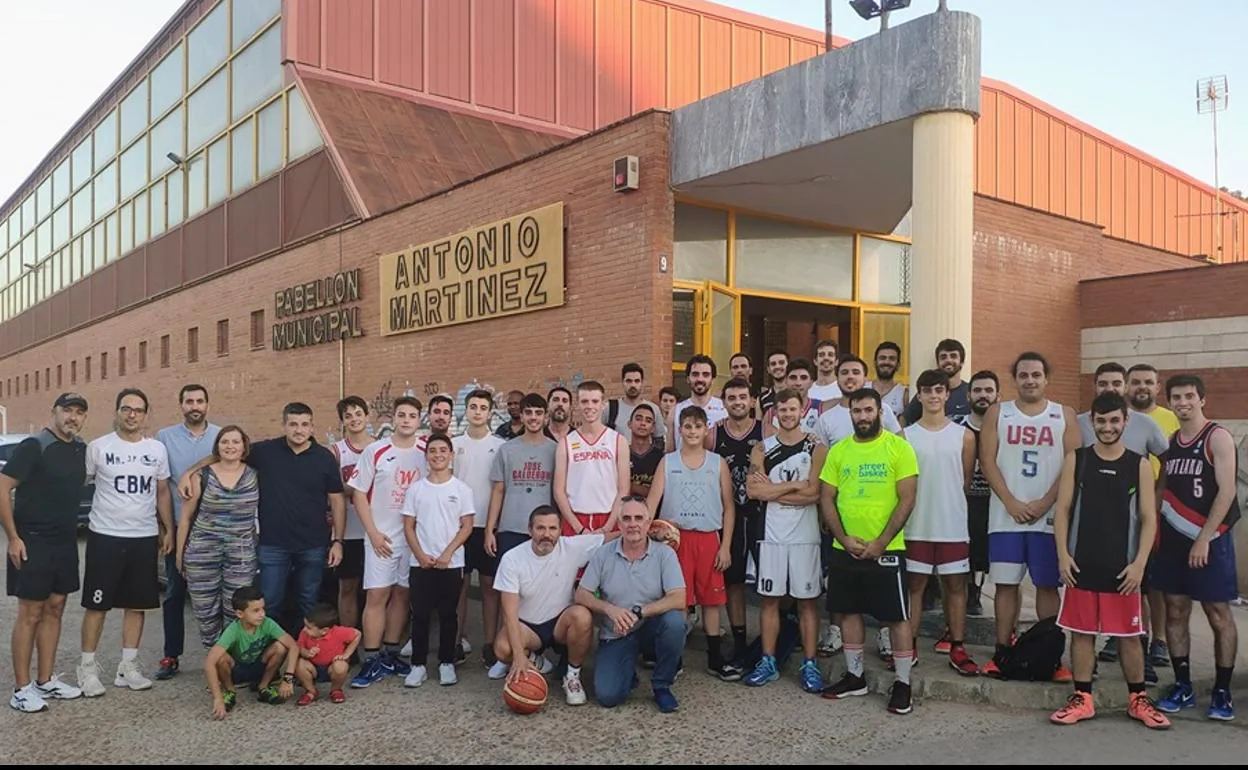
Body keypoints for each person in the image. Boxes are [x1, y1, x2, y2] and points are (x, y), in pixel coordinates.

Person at [1049, 392, 1168, 729]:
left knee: (1130, 637)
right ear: (1093, 423)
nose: (1107, 427)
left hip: (1124, 568)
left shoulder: (1139, 464)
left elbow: (1148, 518)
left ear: (1125, 422)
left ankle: (1138, 699)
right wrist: (1062, 555)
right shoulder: (1078, 459)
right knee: (1082, 634)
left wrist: (1140, 563)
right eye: (1101, 421)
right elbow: (1062, 511)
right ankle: (1083, 698)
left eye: (1114, 420)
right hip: (1081, 564)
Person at [180, 402, 346, 633]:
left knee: (308, 602)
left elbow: (337, 501)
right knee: (270, 603)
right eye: (293, 424)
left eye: (304, 425)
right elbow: (226, 453)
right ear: (284, 425)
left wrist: (338, 541)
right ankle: (270, 655)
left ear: (312, 427)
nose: (299, 430)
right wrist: (189, 472)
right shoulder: (266, 452)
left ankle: (302, 656)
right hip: (273, 545)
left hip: (313, 545)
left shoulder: (324, 457)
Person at [819, 388, 920, 715]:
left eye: (868, 410)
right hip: (844, 547)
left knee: (897, 617)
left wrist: (881, 542)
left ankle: (903, 683)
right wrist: (843, 537)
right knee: (848, 612)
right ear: (850, 414)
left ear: (880, 411)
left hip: (887, 548)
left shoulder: (899, 448)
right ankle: (855, 677)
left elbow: (907, 499)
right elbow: (826, 498)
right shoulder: (839, 451)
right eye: (857, 411)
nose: (863, 416)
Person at [979, 352, 1079, 680]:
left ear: (1046, 378)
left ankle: (1051, 655)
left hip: (1049, 518)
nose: (1030, 380)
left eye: (1036, 374)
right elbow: (988, 460)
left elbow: (1072, 464)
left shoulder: (1064, 415)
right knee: (1005, 585)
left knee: (1048, 586)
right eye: (1023, 375)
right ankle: (1002, 651)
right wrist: (1009, 501)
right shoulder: (998, 413)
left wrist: (1046, 501)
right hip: (1005, 516)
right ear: (1015, 379)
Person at [1154, 375, 1240, 721]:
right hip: (1173, 541)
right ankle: (1183, 684)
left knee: (1218, 614)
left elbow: (1227, 491)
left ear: (1202, 399)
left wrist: (1204, 537)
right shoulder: (1171, 441)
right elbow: (1161, 491)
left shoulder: (1216, 437)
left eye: (1190, 396)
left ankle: (1222, 690)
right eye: (1176, 397)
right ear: (1170, 402)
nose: (1183, 402)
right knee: (1175, 611)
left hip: (1210, 540)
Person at [77, 388, 174, 697]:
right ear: (117, 411)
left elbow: (161, 492)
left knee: (137, 604)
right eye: (126, 408)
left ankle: (127, 666)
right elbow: (81, 482)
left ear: (145, 415)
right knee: (97, 605)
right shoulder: (98, 447)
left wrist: (167, 528)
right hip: (105, 535)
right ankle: (87, 668)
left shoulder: (156, 449)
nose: (132, 414)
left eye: (138, 409)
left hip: (143, 536)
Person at [1076, 362, 1167, 678]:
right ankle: (1096, 662)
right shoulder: (1081, 423)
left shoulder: (1143, 424)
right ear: (1095, 387)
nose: (1110, 388)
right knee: (1091, 599)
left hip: (1133, 520)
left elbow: (1164, 460)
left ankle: (1145, 653)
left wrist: (1155, 498)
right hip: (1093, 524)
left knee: (1137, 587)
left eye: (1116, 383)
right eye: (1103, 383)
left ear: (1125, 386)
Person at [2, 392, 89, 713]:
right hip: (32, 541)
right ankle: (21, 689)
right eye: (67, 410)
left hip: (65, 541)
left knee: (55, 608)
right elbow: (2, 487)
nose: (73, 417)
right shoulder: (33, 446)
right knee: (31, 614)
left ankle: (45, 680)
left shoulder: (80, 448)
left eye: (79, 412)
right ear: (53, 412)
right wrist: (13, 537)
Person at [743, 389, 827, 692]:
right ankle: (768, 661)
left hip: (805, 536)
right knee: (769, 601)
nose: (788, 414)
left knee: (807, 603)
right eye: (783, 409)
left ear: (803, 409)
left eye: (793, 408)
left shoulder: (816, 447)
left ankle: (810, 663)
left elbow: (815, 493)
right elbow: (755, 491)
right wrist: (794, 486)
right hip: (771, 534)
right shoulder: (762, 448)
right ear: (774, 412)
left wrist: (775, 489)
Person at [647, 405, 736, 679]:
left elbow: (729, 507)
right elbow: (652, 502)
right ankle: (674, 658)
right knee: (678, 602)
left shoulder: (717, 462)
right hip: (675, 540)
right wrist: (645, 533)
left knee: (711, 601)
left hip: (708, 538)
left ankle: (715, 658)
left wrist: (725, 546)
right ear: (680, 429)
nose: (692, 431)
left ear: (706, 429)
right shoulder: (668, 462)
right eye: (687, 426)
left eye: (698, 426)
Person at [494, 506, 617, 703]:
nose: (546, 534)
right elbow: (509, 613)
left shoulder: (572, 547)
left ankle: (572, 676)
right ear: (529, 530)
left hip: (561, 622)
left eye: (552, 529)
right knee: (502, 648)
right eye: (540, 528)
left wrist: (647, 529)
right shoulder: (512, 559)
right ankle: (535, 661)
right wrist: (518, 656)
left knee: (582, 616)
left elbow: (609, 538)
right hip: (529, 627)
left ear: (561, 530)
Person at [575, 498, 687, 713]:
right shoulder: (603, 554)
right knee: (608, 697)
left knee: (675, 622)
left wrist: (639, 612)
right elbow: (581, 594)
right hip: (616, 631)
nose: (633, 524)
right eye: (626, 518)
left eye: (639, 518)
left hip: (649, 626)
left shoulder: (665, 554)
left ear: (648, 524)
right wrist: (609, 609)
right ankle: (627, 672)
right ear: (619, 524)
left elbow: (678, 598)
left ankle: (662, 685)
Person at [902, 370, 979, 675]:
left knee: (956, 585)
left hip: (952, 524)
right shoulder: (905, 436)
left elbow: (966, 480)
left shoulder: (965, 435)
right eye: (927, 390)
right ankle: (910, 645)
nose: (933, 395)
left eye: (939, 390)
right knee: (916, 586)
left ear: (948, 394)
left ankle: (958, 647)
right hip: (916, 524)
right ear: (918, 395)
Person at [348, 396, 425, 688]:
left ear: (419, 420)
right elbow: (358, 494)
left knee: (402, 596)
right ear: (393, 418)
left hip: (413, 540)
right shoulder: (375, 451)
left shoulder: (424, 451)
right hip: (382, 538)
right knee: (377, 596)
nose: (406, 420)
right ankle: (371, 659)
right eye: (401, 414)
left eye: (412, 415)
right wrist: (373, 533)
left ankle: (391, 653)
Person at [153, 384, 221, 681]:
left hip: (216, 526)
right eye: (189, 401)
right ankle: (171, 655)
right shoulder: (164, 438)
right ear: (181, 405)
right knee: (175, 593)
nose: (195, 405)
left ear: (207, 404)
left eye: (200, 401)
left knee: (218, 593)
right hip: (179, 526)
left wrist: (190, 471)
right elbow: (160, 487)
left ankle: (221, 654)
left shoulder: (221, 436)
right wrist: (165, 529)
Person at [401, 434, 475, 687]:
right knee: (420, 615)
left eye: (443, 450)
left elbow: (466, 526)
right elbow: (409, 527)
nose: (438, 455)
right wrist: (421, 556)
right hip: (420, 564)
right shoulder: (416, 489)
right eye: (433, 451)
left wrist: (447, 554)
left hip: (451, 564)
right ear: (427, 456)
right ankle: (418, 665)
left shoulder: (461, 489)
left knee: (448, 615)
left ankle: (446, 663)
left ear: (451, 454)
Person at [175, 426, 260, 649]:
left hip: (240, 555)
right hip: (202, 552)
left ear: (244, 446)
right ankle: (215, 663)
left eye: (235, 442)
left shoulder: (255, 475)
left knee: (238, 611)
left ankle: (233, 664)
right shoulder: (201, 476)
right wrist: (179, 554)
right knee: (206, 612)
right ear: (217, 446)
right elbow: (185, 519)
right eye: (224, 442)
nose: (230, 446)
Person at [1127, 362, 1181, 670]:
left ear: (1157, 387)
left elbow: (1171, 462)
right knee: (1127, 576)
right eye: (1136, 382)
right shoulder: (1118, 419)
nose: (1142, 387)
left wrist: (1158, 497)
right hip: (1121, 509)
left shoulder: (1170, 420)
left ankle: (1159, 640)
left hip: (1159, 510)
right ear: (1126, 386)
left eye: (1148, 381)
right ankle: (1131, 631)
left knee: (1154, 581)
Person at [710, 377, 764, 668]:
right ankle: (740, 642)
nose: (738, 402)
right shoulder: (713, 434)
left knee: (772, 580)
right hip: (727, 515)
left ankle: (774, 638)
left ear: (752, 400)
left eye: (743, 396)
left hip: (763, 514)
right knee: (734, 582)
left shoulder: (765, 430)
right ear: (724, 402)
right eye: (731, 398)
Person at [454, 389, 506, 668]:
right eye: (472, 406)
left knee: (488, 586)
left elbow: (501, 488)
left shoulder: (499, 446)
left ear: (490, 412)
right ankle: (457, 640)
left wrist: (494, 526)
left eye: (482, 407)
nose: (477, 411)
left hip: (488, 525)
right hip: (459, 527)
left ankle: (489, 643)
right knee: (459, 586)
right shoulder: (454, 444)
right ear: (467, 410)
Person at [203, 586, 300, 719]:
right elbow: (209, 662)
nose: (262, 614)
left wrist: (288, 678)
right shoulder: (233, 630)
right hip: (236, 670)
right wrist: (217, 698)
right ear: (240, 614)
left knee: (280, 647)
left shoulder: (267, 623)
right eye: (256, 610)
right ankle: (230, 691)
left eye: (263, 608)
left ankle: (263, 686)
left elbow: (293, 645)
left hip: (258, 665)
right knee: (220, 658)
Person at [485, 392, 556, 563]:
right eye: (528, 412)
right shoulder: (506, 449)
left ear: (546, 417)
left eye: (538, 413)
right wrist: (489, 531)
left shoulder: (556, 450)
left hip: (544, 530)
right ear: (522, 416)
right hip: (511, 528)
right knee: (509, 584)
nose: (533, 418)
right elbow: (498, 491)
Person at [553, 381, 629, 535]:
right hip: (575, 520)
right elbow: (558, 491)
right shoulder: (566, 442)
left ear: (603, 404)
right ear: (577, 405)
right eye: (584, 401)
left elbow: (624, 489)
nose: (590, 406)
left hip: (609, 518)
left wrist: (607, 527)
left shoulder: (618, 440)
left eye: (595, 401)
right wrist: (578, 528)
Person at [955, 371, 1000, 618]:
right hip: (964, 499)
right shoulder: (956, 427)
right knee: (964, 547)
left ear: (997, 395)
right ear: (969, 394)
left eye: (988, 390)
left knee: (984, 552)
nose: (983, 395)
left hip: (995, 500)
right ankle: (961, 591)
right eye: (978, 390)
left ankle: (976, 592)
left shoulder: (1005, 427)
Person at [331, 395, 373, 633]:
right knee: (347, 586)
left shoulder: (381, 447)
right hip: (347, 530)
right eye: (348, 416)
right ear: (343, 421)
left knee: (375, 589)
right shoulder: (336, 451)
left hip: (376, 530)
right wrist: (359, 487)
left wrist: (353, 487)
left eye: (358, 414)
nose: (354, 419)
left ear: (367, 416)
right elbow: (333, 489)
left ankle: (372, 641)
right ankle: (347, 639)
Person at [813, 355, 903, 447]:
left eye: (856, 372)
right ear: (837, 379)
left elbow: (901, 445)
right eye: (844, 373)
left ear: (865, 379)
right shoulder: (826, 419)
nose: (850, 376)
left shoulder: (883, 409)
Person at [295, 602, 361, 706]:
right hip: (313, 667)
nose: (304, 629)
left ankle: (336, 690)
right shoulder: (304, 633)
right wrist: (307, 653)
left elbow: (357, 634)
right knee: (299, 664)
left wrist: (346, 655)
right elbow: (299, 646)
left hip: (332, 666)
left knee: (341, 665)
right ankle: (310, 691)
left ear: (324, 631)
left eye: (309, 628)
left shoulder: (339, 632)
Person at [901, 338, 971, 426]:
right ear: (938, 363)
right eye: (943, 357)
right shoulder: (928, 391)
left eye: (953, 356)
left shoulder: (971, 392)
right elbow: (904, 419)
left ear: (962, 362)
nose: (948, 360)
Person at [668, 356, 728, 451]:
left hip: (716, 464)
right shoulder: (675, 410)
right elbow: (669, 451)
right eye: (695, 374)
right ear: (688, 379)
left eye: (705, 374)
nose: (700, 379)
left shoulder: (725, 408)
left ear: (713, 380)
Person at [762, 358, 824, 437]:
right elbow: (768, 446)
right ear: (786, 381)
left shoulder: (821, 408)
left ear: (811, 382)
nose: (798, 383)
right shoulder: (771, 413)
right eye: (793, 377)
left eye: (803, 378)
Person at [607, 363, 665, 442]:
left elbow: (659, 440)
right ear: (622, 382)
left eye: (637, 381)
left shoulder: (653, 409)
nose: (633, 385)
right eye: (629, 381)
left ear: (642, 383)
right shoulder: (610, 409)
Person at [627, 404, 664, 498]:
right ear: (629, 424)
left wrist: (633, 487)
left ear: (653, 428)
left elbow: (662, 493)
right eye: (638, 419)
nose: (643, 423)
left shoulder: (661, 458)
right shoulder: (621, 454)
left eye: (648, 420)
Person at [873, 342, 909, 416]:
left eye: (892, 359)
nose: (886, 362)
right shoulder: (862, 388)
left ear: (898, 365)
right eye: (882, 358)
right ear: (875, 362)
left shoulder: (904, 394)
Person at [758, 350, 789, 416]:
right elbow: (760, 424)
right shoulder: (762, 398)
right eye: (773, 364)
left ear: (788, 366)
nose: (777, 366)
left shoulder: (797, 393)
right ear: (768, 369)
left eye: (781, 363)